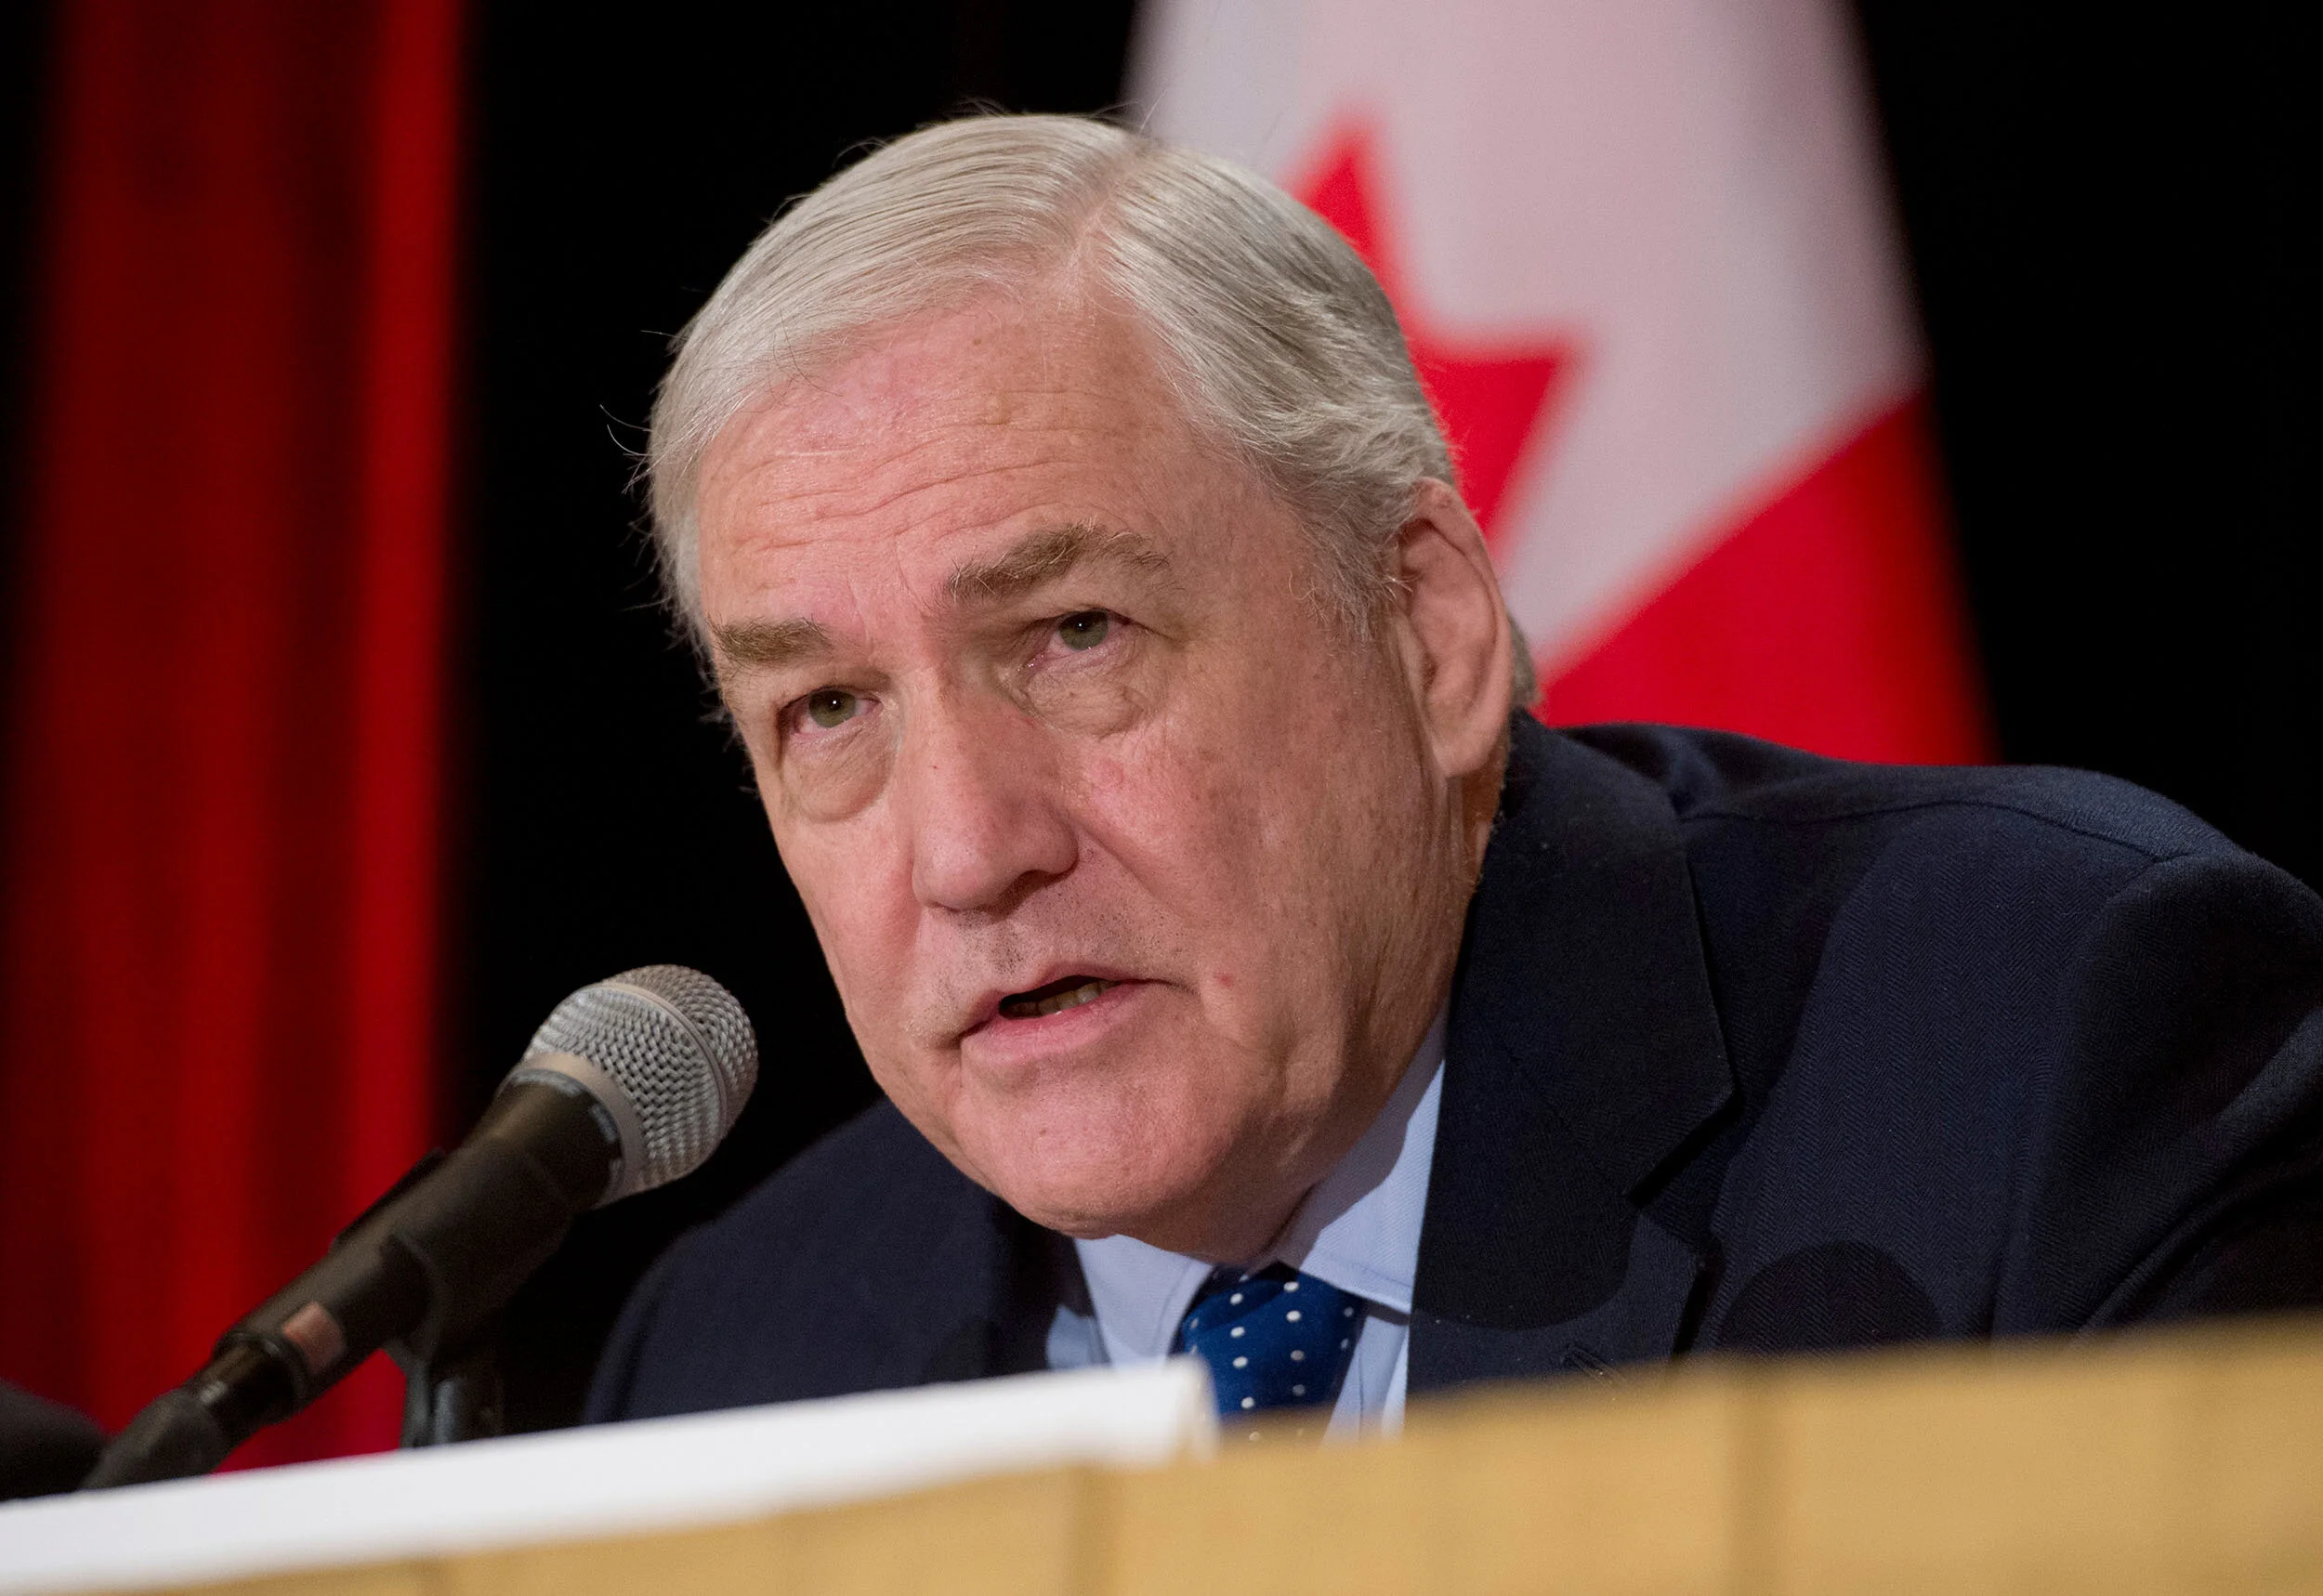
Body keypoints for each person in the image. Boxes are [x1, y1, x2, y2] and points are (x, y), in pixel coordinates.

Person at [584, 114, 2323, 1437]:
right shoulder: (735, 1365)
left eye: (1078, 633)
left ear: (1425, 629)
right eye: (825, 710)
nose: (966, 849)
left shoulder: (2052, 1066)